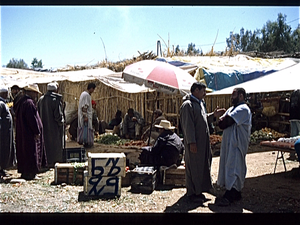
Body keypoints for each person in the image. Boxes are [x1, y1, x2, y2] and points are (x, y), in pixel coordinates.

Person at [180, 82, 225, 203]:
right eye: (203, 91)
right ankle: (192, 193)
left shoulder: (199, 104)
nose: (205, 94)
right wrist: (192, 142)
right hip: (195, 143)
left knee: (201, 166)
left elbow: (203, 119)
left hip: (202, 142)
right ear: (195, 90)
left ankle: (199, 191)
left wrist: (213, 116)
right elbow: (188, 126)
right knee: (194, 167)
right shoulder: (187, 105)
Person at [215, 87, 252, 206]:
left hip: (237, 144)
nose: (232, 97)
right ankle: (233, 191)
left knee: (234, 166)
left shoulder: (243, 109)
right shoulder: (232, 109)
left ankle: (232, 193)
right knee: (228, 165)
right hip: (229, 143)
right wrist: (222, 120)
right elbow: (221, 124)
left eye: (234, 95)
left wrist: (224, 120)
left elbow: (226, 122)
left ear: (241, 96)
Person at [13, 83, 47, 180]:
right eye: (35, 93)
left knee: (24, 152)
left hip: (23, 132)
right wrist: (36, 131)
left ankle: (25, 172)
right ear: (31, 92)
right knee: (31, 152)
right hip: (29, 134)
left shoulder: (21, 102)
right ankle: (31, 173)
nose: (36, 95)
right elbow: (32, 119)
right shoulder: (29, 103)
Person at [37, 83, 64, 167]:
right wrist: (61, 122)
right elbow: (58, 115)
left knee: (45, 144)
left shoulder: (41, 99)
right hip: (54, 128)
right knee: (55, 145)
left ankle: (46, 162)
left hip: (43, 127)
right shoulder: (55, 100)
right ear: (55, 90)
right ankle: (54, 162)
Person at [0, 87, 16, 177]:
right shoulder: (1, 103)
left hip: (6, 132)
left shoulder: (3, 103)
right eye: (5, 93)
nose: (7, 95)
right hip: (3, 133)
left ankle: (2, 169)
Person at [77, 82, 96, 147]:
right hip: (85, 115)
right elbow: (85, 106)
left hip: (82, 114)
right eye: (93, 89)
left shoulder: (83, 94)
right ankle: (86, 142)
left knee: (83, 128)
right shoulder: (86, 95)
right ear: (91, 88)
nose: (93, 91)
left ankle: (84, 141)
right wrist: (85, 116)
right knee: (86, 128)